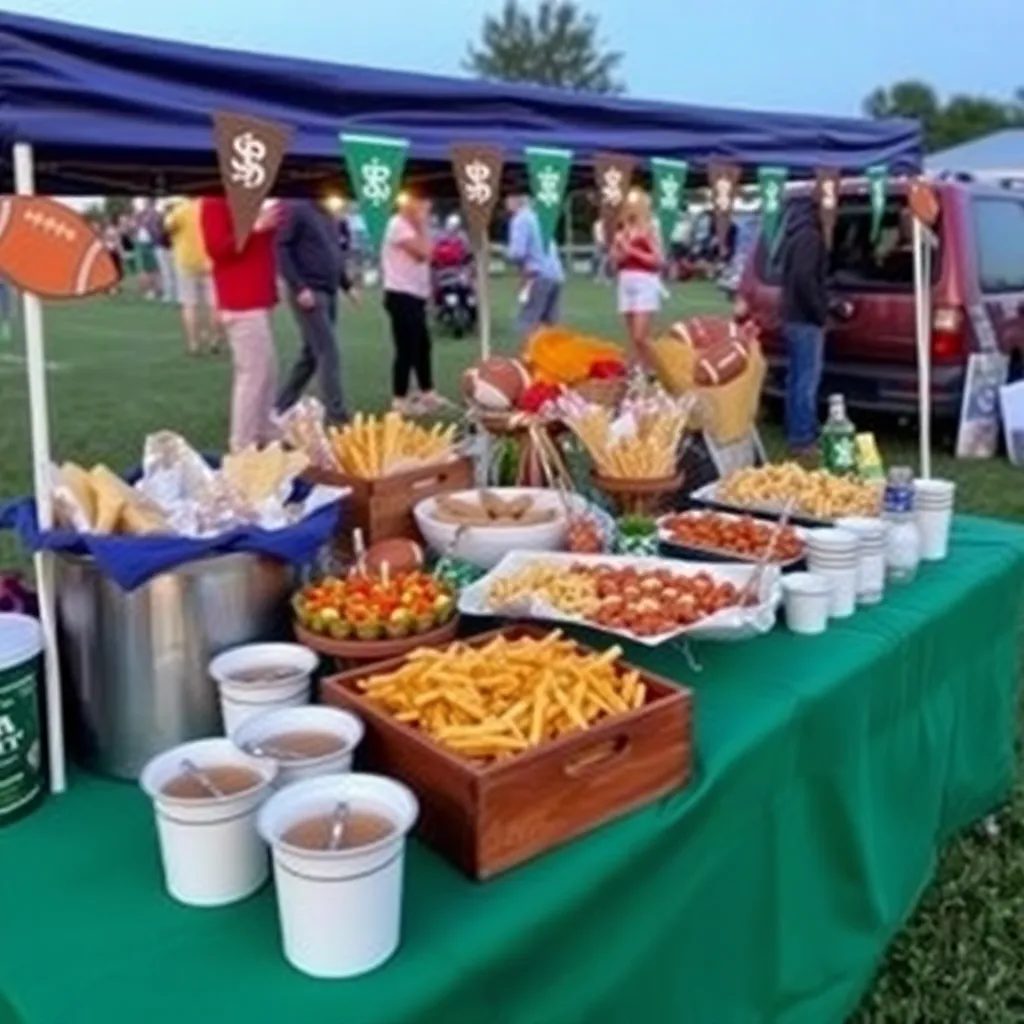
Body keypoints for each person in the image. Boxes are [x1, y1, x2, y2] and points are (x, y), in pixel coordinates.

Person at [201, 196, 281, 451]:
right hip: (240, 298)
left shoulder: (249, 196)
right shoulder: (215, 200)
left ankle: (263, 428)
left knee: (267, 370)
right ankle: (243, 441)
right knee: (253, 373)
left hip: (257, 295)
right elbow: (217, 248)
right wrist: (256, 227)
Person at [274, 198, 360, 425]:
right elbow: (281, 248)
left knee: (311, 354)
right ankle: (337, 414)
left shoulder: (329, 216)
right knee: (328, 351)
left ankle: (281, 404)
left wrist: (347, 285)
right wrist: (298, 287)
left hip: (328, 290)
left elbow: (335, 253)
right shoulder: (298, 208)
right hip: (310, 290)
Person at [779, 198, 830, 457]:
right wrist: (821, 312)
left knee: (796, 379)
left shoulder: (793, 236)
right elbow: (804, 279)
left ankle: (797, 430)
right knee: (806, 381)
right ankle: (802, 438)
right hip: (805, 319)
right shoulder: (810, 237)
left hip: (791, 316)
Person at [381, 195, 440, 414]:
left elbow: (428, 253)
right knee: (406, 348)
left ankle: (427, 392)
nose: (426, 207)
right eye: (422, 203)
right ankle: (399, 397)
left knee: (423, 345)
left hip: (415, 295)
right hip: (400, 294)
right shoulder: (397, 226)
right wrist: (423, 225)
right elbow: (424, 253)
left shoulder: (412, 228)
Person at [610, 191, 663, 367]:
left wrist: (632, 250)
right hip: (626, 280)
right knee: (633, 337)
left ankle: (657, 368)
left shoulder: (650, 227)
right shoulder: (623, 229)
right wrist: (619, 249)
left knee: (641, 336)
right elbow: (615, 261)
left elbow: (658, 260)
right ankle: (640, 371)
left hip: (645, 280)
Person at [505, 192, 564, 341]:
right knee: (550, 325)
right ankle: (551, 360)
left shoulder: (520, 220)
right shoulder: (540, 219)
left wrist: (506, 254)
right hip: (555, 274)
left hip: (536, 275)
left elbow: (517, 253)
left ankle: (530, 358)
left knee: (528, 321)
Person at [165, 198, 219, 355]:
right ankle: (214, 340)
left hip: (186, 262)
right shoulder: (209, 207)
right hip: (210, 260)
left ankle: (194, 344)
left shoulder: (181, 210)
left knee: (189, 305)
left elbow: (167, 228)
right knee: (214, 303)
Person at [135, 200, 161, 299]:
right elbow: (135, 226)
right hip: (142, 244)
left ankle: (156, 289)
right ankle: (150, 289)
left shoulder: (156, 216)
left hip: (152, 243)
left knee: (154, 268)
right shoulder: (141, 215)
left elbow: (156, 229)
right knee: (146, 269)